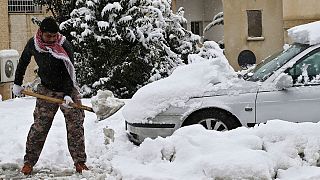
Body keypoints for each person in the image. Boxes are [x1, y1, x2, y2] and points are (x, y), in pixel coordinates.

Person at [13, 17, 88, 175]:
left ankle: (80, 162)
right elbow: (23, 62)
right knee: (39, 127)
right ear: (41, 33)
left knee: (75, 126)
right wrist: (17, 83)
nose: (52, 39)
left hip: (68, 88)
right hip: (46, 89)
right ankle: (29, 162)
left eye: (55, 36)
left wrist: (68, 94)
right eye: (49, 36)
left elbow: (69, 72)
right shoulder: (33, 44)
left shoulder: (64, 45)